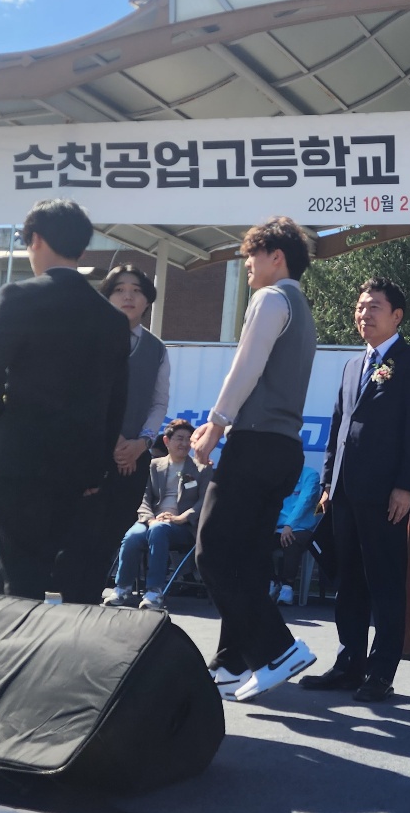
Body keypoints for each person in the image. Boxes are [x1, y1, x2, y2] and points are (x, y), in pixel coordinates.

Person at [0, 198, 130, 602]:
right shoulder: (112, 319)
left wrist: (1, 428)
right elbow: (116, 401)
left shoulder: (19, 295)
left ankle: (19, 643)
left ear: (36, 239)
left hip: (20, 460)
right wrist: (97, 467)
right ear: (82, 246)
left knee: (19, 580)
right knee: (72, 582)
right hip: (79, 468)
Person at [188, 216, 320, 703]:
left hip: (255, 444)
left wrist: (216, 423)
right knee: (246, 558)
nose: (247, 265)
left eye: (251, 255)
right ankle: (230, 663)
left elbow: (247, 366)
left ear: (276, 257)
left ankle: (277, 650)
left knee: (213, 551)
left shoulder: (270, 299)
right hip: (284, 449)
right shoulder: (302, 310)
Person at [300, 276, 410, 704]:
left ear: (397, 315)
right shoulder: (351, 366)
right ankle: (348, 665)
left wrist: (405, 487)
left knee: (385, 583)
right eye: (360, 307)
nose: (364, 314)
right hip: (343, 492)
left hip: (384, 494)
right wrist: (327, 483)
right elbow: (337, 429)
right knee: (349, 583)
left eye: (374, 306)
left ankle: (381, 672)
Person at [77, 264, 171, 601]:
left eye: (136, 290)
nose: (128, 296)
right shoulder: (87, 339)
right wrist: (115, 441)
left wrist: (141, 443)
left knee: (110, 537)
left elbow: (159, 402)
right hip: (89, 456)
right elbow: (81, 396)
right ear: (107, 296)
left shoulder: (157, 349)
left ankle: (89, 601)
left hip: (134, 459)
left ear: (147, 300)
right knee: (79, 537)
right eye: (119, 289)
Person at [105, 419, 207, 610]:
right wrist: (150, 519)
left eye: (188, 439)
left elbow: (204, 502)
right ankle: (122, 588)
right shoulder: (154, 466)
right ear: (167, 441)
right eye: (179, 438)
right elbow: (143, 497)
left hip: (182, 526)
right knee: (133, 536)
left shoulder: (201, 468)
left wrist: (180, 518)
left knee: (159, 530)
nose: (184, 443)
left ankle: (154, 591)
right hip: (151, 520)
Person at [271, 462, 323, 606]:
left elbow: (305, 502)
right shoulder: (275, 476)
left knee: (291, 540)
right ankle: (272, 581)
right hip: (278, 526)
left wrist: (289, 525)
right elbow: (270, 502)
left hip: (302, 527)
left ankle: (288, 586)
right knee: (257, 540)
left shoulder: (311, 476)